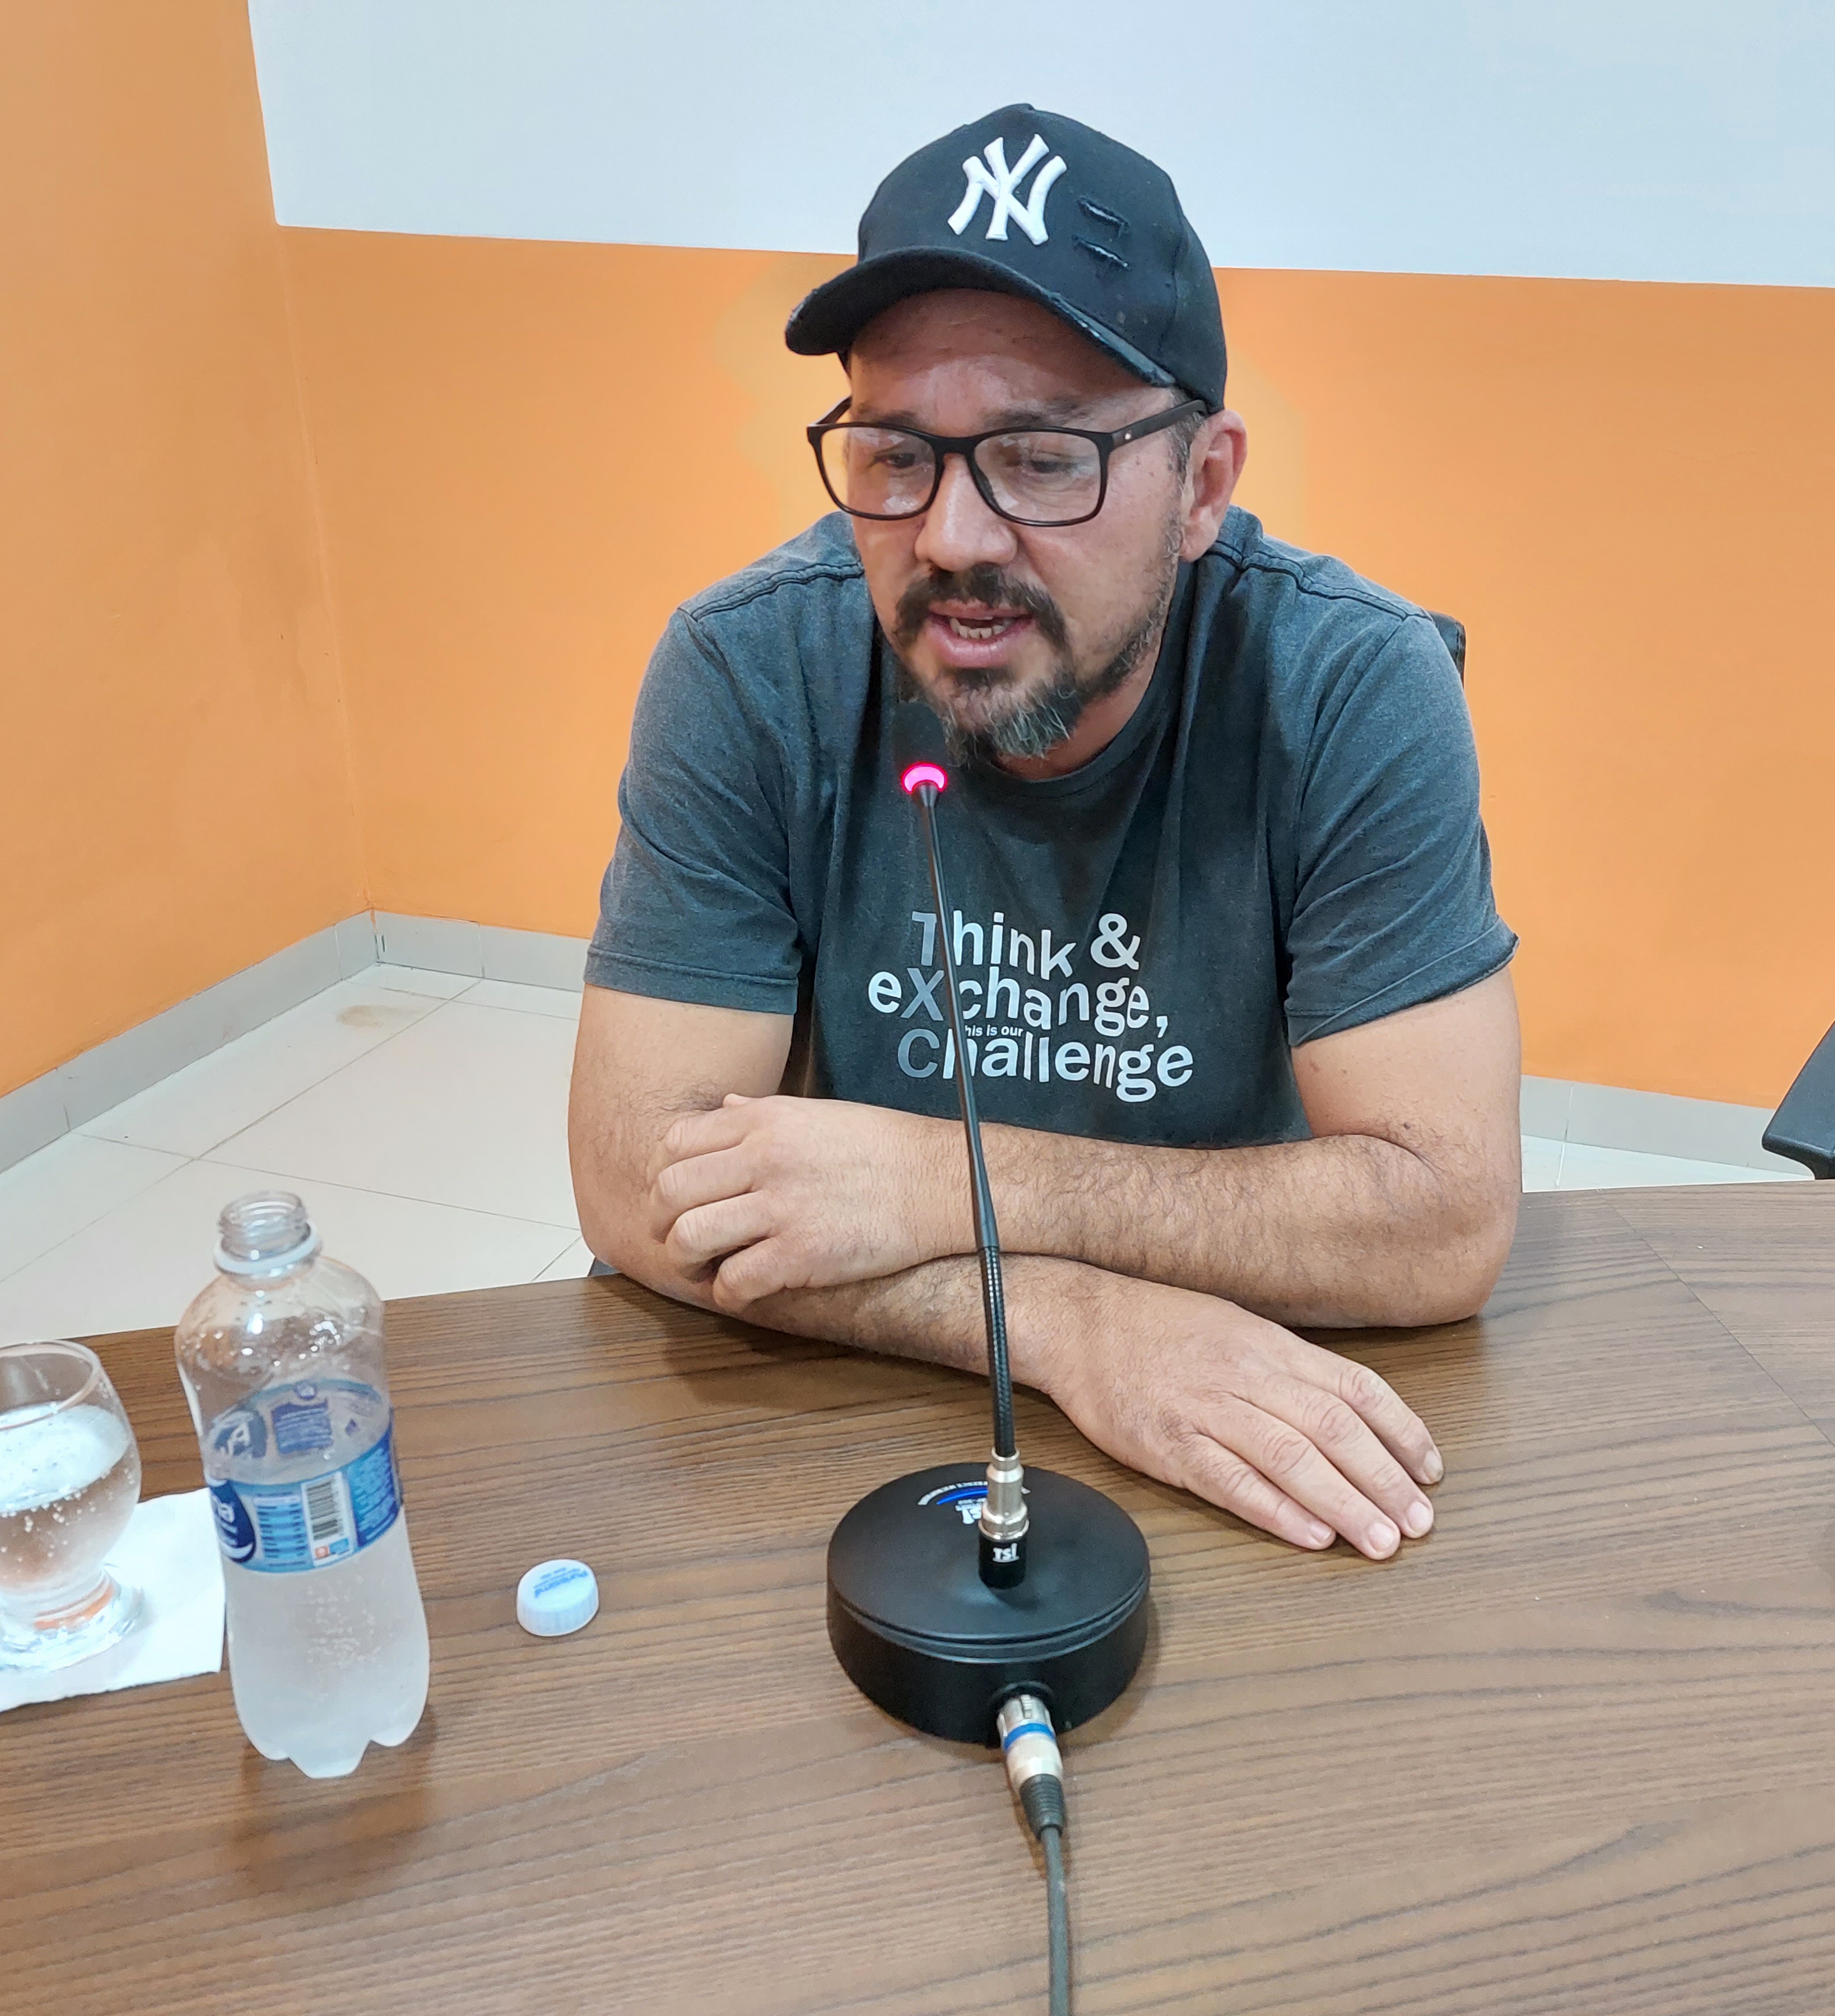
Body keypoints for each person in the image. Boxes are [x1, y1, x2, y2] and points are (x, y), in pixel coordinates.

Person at [568, 105, 1522, 1561]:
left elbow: (1440, 1220)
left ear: (1201, 486)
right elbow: (637, 1187)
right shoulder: (747, 667)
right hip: (851, 1407)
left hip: (1255, 1406)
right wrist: (1066, 1321)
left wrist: (928, 1183)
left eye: (1039, 457)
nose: (951, 537)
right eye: (895, 453)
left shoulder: (1344, 683)